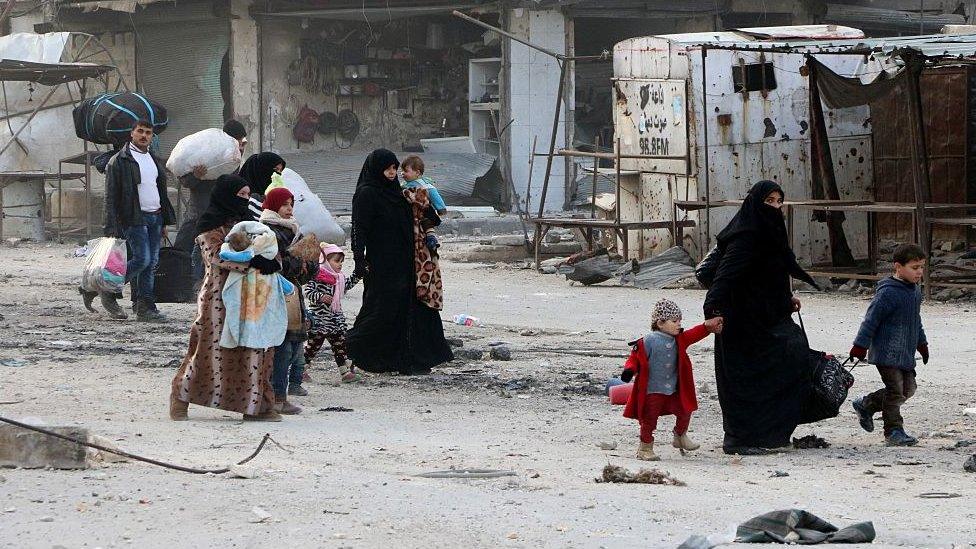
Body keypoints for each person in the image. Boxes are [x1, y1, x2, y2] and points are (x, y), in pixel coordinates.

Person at [702, 180, 821, 455]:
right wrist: (713, 312)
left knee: (790, 361)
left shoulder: (770, 235)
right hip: (742, 322)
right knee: (748, 381)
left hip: (768, 316)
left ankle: (770, 435)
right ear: (756, 203)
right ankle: (740, 439)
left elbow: (769, 275)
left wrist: (785, 299)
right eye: (770, 201)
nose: (776, 207)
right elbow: (725, 277)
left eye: (779, 201)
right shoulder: (747, 236)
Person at [169, 175, 281, 422]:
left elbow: (268, 247)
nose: (244, 200)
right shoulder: (209, 224)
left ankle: (255, 406)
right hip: (217, 299)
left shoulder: (251, 224)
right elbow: (215, 256)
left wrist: (271, 261)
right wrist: (253, 261)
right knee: (208, 350)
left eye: (246, 196)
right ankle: (180, 397)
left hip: (252, 297)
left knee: (253, 350)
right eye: (239, 195)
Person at [346, 149, 454, 375]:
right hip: (382, 263)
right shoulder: (366, 194)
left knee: (413, 308)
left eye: (395, 168)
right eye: (388, 169)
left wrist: (423, 202)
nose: (392, 173)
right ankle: (354, 349)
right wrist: (359, 258)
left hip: (408, 261)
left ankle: (411, 358)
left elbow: (431, 218)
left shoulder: (401, 194)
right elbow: (359, 229)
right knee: (381, 308)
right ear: (376, 169)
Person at [620, 299, 723, 460]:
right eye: (674, 321)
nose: (678, 324)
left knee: (685, 410)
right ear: (660, 323)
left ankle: (680, 436)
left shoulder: (679, 339)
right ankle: (645, 447)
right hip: (653, 389)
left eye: (679, 321)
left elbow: (693, 334)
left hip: (675, 388)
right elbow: (635, 358)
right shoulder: (648, 341)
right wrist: (629, 370)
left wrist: (706, 327)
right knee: (649, 419)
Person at [849, 244, 929, 447]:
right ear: (898, 267)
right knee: (896, 392)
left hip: (905, 353)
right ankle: (893, 431)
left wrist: (922, 343)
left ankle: (866, 404)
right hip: (887, 353)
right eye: (914, 267)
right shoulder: (888, 293)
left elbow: (915, 320)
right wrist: (860, 346)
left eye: (921, 267)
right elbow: (871, 320)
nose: (919, 272)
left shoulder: (915, 292)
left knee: (908, 390)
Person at [98, 119, 176, 322]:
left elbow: (159, 191)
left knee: (151, 263)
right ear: (131, 133)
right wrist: (111, 226)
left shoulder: (153, 159)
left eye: (148, 133)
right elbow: (111, 196)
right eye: (140, 131)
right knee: (142, 259)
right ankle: (108, 289)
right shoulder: (119, 160)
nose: (144, 136)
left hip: (155, 217)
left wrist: (164, 221)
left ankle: (145, 307)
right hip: (134, 217)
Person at [260, 187, 318, 413]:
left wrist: (307, 263)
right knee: (282, 348)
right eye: (284, 204)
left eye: (291, 204)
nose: (288, 209)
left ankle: (281, 394)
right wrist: (298, 261)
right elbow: (276, 264)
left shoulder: (292, 229)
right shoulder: (267, 231)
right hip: (275, 295)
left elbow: (309, 267)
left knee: (293, 347)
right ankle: (277, 397)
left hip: (293, 295)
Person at [174, 119, 248, 285]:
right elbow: (185, 182)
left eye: (243, 142)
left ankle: (199, 284)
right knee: (183, 249)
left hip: (220, 217)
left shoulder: (234, 162)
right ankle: (178, 282)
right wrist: (196, 176)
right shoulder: (207, 154)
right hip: (198, 213)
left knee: (209, 251)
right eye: (238, 141)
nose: (241, 146)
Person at [304, 243, 361, 383]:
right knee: (312, 347)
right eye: (336, 261)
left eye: (341, 261)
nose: (340, 265)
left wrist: (358, 274)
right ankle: (300, 369)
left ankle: (345, 372)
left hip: (335, 321)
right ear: (325, 261)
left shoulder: (339, 278)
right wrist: (320, 297)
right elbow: (308, 292)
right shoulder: (317, 276)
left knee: (340, 346)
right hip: (319, 321)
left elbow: (347, 285)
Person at [239, 152, 286, 221]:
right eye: (275, 169)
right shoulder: (239, 195)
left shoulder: (270, 196)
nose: (278, 174)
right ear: (260, 169)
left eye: (280, 171)